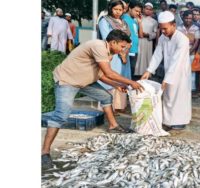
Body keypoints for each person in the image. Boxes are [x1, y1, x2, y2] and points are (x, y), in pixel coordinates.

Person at [41, 30, 144, 169]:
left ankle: (113, 126)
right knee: (61, 115)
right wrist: (131, 82)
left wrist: (118, 85)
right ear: (113, 42)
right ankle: (44, 153)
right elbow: (108, 73)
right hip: (67, 80)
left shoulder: (109, 53)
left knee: (106, 96)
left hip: (84, 81)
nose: (123, 49)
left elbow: (101, 75)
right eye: (122, 46)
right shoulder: (98, 46)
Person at [141, 11, 191, 130]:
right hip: (170, 70)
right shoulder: (163, 37)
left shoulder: (182, 39)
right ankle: (168, 121)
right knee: (168, 96)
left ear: (174, 25)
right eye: (161, 28)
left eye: (165, 28)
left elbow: (176, 61)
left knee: (179, 97)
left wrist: (168, 78)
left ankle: (180, 121)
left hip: (180, 72)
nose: (163, 31)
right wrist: (149, 70)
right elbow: (158, 54)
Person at [98, 0, 132, 113]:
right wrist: (118, 48)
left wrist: (124, 50)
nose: (118, 12)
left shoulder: (124, 23)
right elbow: (106, 37)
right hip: (111, 53)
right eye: (115, 9)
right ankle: (108, 107)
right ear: (110, 9)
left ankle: (119, 106)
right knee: (110, 77)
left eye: (120, 10)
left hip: (123, 54)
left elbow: (129, 39)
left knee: (122, 77)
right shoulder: (105, 20)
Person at [177, 10, 200, 92]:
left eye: (190, 18)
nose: (188, 20)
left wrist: (190, 51)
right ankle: (180, 87)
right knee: (180, 70)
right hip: (180, 53)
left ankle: (192, 88)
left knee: (192, 71)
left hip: (191, 53)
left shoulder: (196, 28)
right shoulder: (178, 28)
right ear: (183, 18)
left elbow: (196, 42)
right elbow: (177, 41)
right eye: (186, 18)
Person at [134, 3, 158, 77]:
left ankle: (147, 73)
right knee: (138, 56)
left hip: (148, 41)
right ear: (143, 9)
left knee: (147, 57)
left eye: (150, 9)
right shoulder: (136, 19)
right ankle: (137, 73)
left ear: (152, 11)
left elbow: (155, 33)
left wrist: (148, 35)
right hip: (138, 40)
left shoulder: (154, 21)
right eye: (147, 9)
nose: (148, 11)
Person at [122, 0, 144, 80]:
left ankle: (128, 89)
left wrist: (140, 23)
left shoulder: (135, 20)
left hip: (134, 50)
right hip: (126, 50)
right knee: (125, 73)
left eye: (139, 12)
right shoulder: (123, 18)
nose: (138, 13)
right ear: (130, 8)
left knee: (131, 72)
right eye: (136, 11)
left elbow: (141, 35)